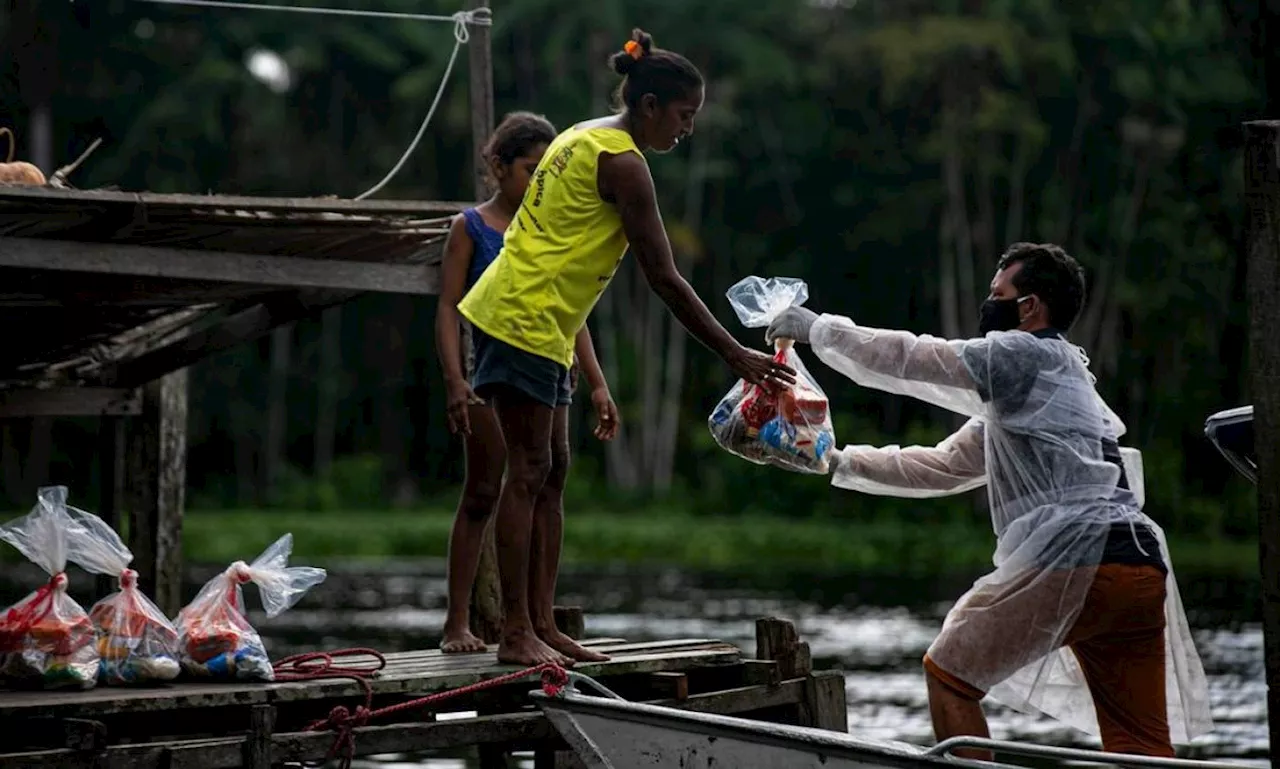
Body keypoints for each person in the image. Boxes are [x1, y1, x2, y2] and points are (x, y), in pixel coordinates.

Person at [764, 243, 1212, 757]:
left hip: (1076, 559)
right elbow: (945, 466)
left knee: (949, 673)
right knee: (1140, 743)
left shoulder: (1026, 354)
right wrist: (835, 461)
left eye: (998, 294)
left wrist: (816, 329)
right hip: (1136, 569)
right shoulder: (1047, 387)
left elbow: (911, 358)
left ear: (1030, 307)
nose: (988, 304)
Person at [456, 28, 794, 666]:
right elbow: (664, 278)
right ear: (648, 107)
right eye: (684, 115)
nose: (687, 128)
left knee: (553, 471)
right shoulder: (622, 161)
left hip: (549, 319)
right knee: (526, 473)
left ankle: (544, 624)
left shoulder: (581, 133)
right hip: (523, 313)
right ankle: (514, 634)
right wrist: (735, 355)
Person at [435, 111, 620, 656]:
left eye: (545, 171)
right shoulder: (470, 226)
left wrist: (598, 382)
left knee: (548, 478)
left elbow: (572, 308)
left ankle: (542, 622)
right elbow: (448, 307)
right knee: (485, 490)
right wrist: (454, 379)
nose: (536, 180)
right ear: (498, 166)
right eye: (528, 169)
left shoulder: (547, 226)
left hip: (550, 358)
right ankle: (458, 623)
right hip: (493, 367)